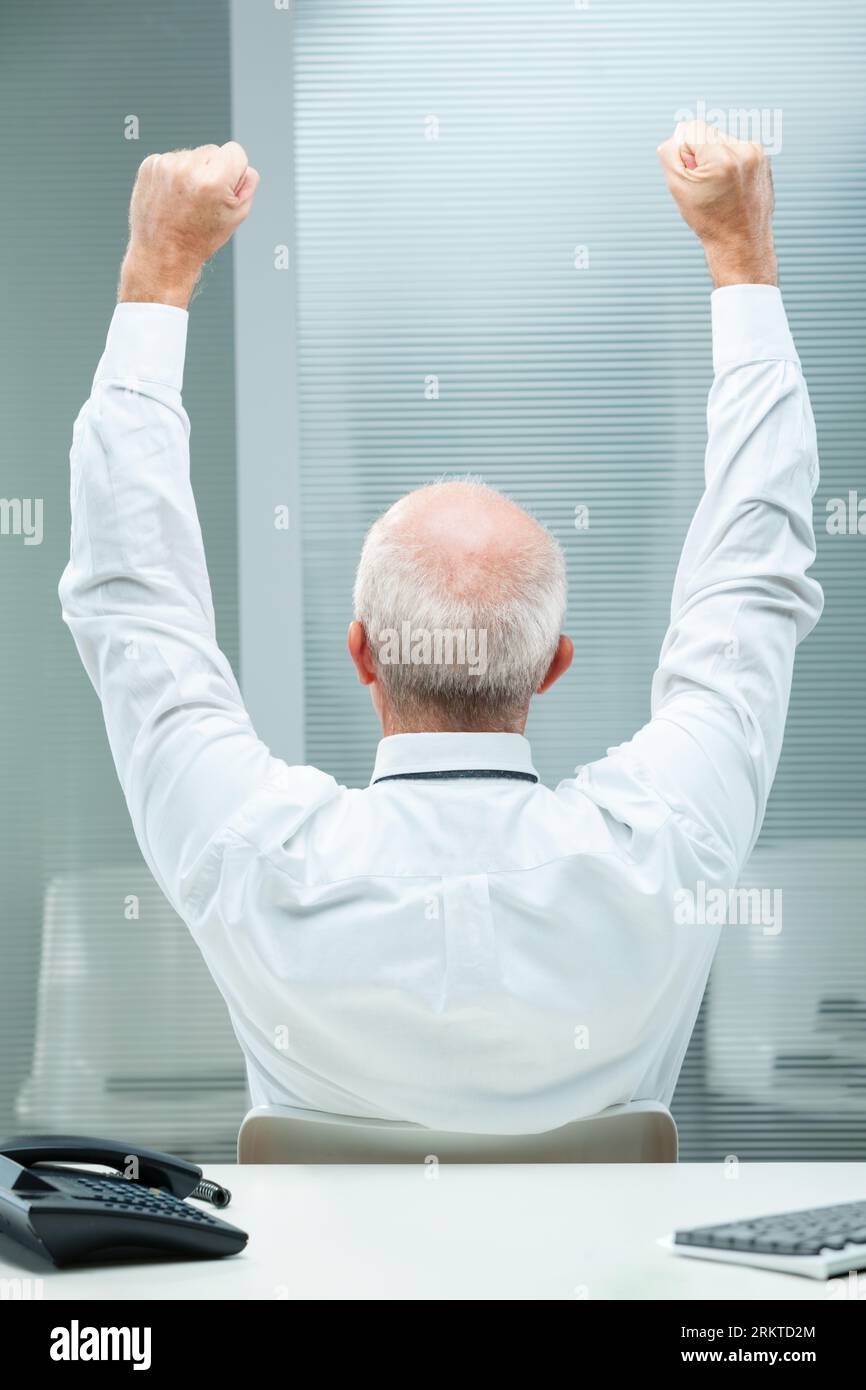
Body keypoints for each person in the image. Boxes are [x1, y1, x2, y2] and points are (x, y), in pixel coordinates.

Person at [59, 126, 822, 1133]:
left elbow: (132, 598)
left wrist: (158, 269)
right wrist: (741, 258)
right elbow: (750, 586)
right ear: (551, 666)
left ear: (361, 652)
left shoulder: (251, 849)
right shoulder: (660, 846)